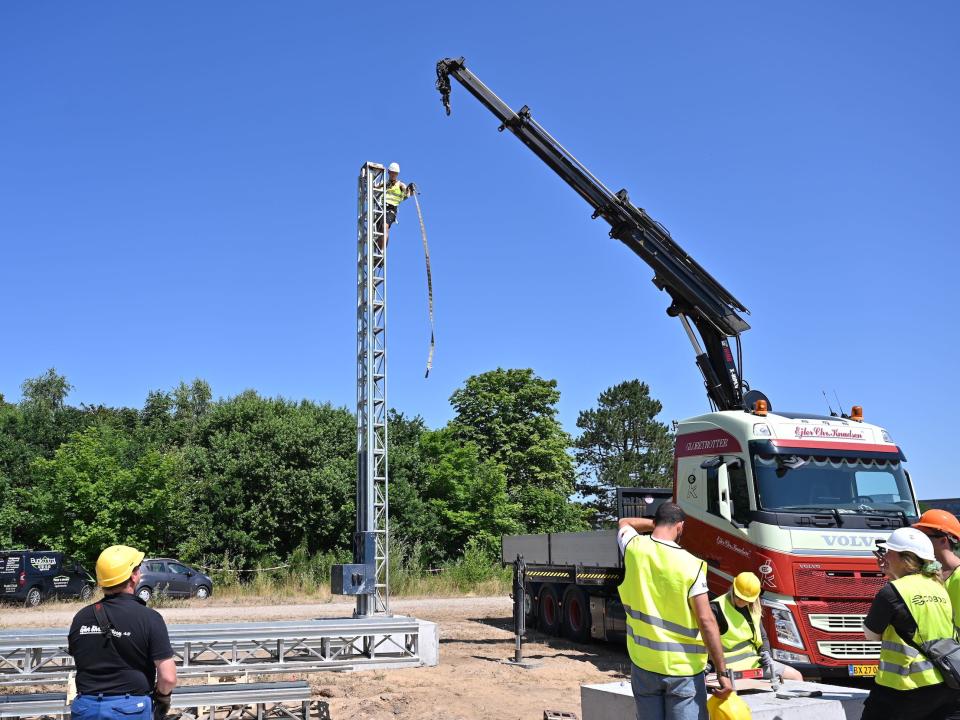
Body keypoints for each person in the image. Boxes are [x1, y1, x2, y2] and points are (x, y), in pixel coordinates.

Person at [618, 502, 733, 720]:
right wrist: (722, 672)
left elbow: (625, 523)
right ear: (680, 526)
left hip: (644, 664)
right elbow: (706, 621)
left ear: (657, 522)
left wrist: (654, 524)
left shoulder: (633, 548)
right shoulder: (692, 565)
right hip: (684, 671)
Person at [68, 545, 177, 720]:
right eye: (138, 568)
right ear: (133, 576)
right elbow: (168, 677)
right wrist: (162, 697)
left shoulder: (81, 617)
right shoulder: (149, 618)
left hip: (85, 708)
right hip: (129, 709)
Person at [861, 527, 959, 720]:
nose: (885, 556)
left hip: (903, 686)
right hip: (946, 682)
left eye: (889, 552)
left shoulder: (892, 592)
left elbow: (871, 634)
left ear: (905, 558)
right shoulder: (939, 586)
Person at [709, 571, 802, 682]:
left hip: (755, 664)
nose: (742, 602)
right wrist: (709, 665)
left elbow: (762, 638)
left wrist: (766, 652)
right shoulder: (715, 608)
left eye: (746, 600)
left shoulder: (754, 608)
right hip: (727, 669)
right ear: (733, 588)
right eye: (739, 597)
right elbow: (704, 642)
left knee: (796, 676)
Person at [913, 509, 960, 629]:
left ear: (943, 540)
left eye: (924, 537)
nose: (918, 541)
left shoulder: (958, 576)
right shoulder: (926, 571)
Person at [383, 161, 415, 250]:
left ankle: (382, 252)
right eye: (392, 173)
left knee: (385, 227)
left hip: (391, 209)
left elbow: (407, 194)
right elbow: (375, 188)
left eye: (395, 173)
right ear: (389, 172)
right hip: (380, 209)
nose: (393, 175)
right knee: (378, 232)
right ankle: (378, 252)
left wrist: (410, 190)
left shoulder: (400, 185)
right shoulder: (385, 184)